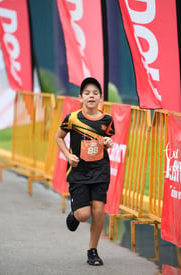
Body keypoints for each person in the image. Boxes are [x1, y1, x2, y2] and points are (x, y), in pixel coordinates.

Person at [55, 77, 115, 266]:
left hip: (100, 170)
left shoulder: (107, 119)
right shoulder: (73, 118)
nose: (91, 96)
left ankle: (93, 251)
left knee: (98, 211)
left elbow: (109, 141)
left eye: (95, 93)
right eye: (87, 93)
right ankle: (74, 215)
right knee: (83, 215)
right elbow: (59, 137)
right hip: (79, 171)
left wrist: (109, 142)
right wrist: (67, 155)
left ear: (101, 99)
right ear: (80, 98)